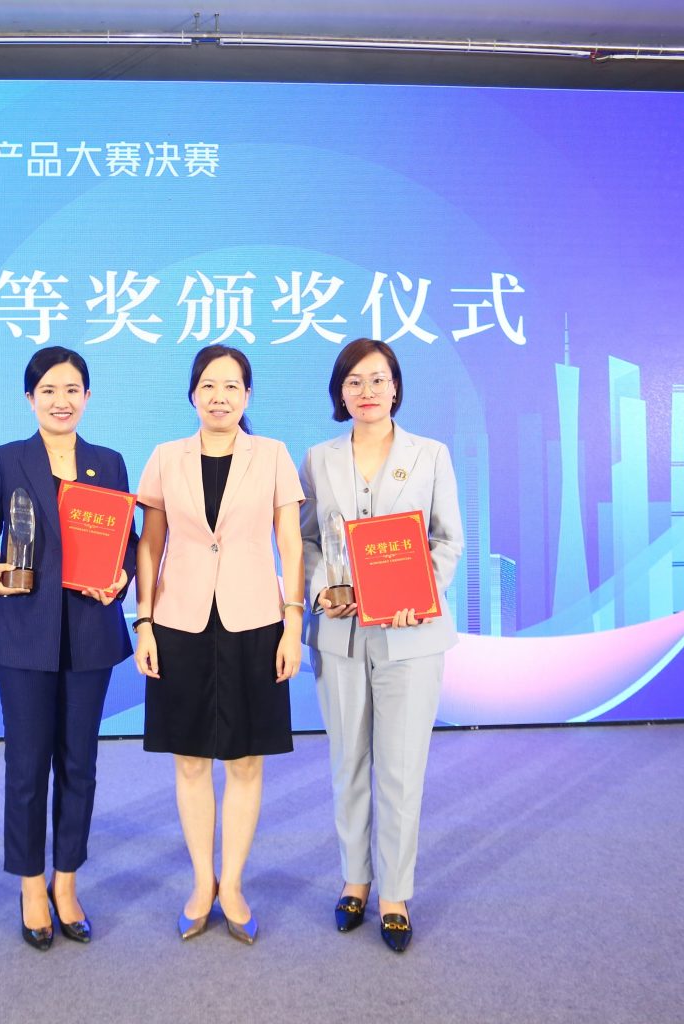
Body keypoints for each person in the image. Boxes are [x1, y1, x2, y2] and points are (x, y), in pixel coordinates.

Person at [133, 344, 305, 945]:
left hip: (254, 620)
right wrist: (144, 621)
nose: (220, 397)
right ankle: (201, 882)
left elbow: (291, 543)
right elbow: (149, 544)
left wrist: (292, 623)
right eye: (208, 385)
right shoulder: (166, 457)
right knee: (188, 759)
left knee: (246, 759)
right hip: (179, 622)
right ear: (192, 394)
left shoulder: (273, 455)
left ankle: (232, 884)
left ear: (248, 395)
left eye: (232, 386)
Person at [0, 347, 135, 951]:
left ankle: (67, 881)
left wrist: (122, 575)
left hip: (90, 632)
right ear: (30, 398)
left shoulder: (108, 462)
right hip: (22, 633)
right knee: (26, 764)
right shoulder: (7, 459)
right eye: (48, 391)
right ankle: (31, 885)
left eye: (72, 390)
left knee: (79, 763)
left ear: (87, 397)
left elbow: (128, 539)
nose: (61, 401)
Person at [298, 337, 463, 954]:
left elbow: (448, 540)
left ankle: (394, 893)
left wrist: (418, 591)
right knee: (348, 762)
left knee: (400, 766)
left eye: (378, 379)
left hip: (409, 632)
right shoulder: (318, 459)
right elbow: (304, 539)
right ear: (339, 393)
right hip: (341, 634)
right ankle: (355, 881)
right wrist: (324, 588)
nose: (367, 391)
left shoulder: (430, 455)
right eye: (354, 381)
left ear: (396, 387)